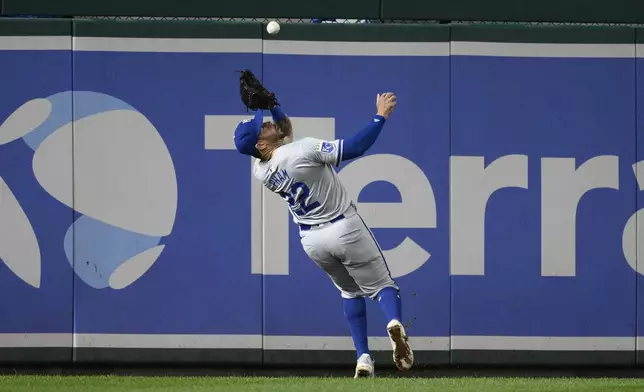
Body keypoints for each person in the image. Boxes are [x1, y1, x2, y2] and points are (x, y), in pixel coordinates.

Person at [233, 92, 413, 378]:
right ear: (260, 143)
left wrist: (274, 107)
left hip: (313, 242)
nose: (267, 123)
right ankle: (394, 322)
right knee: (382, 287)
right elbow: (354, 147)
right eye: (262, 127)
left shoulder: (260, 169)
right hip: (344, 227)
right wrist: (380, 116)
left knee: (349, 291)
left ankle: (363, 358)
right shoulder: (302, 149)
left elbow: (284, 133)